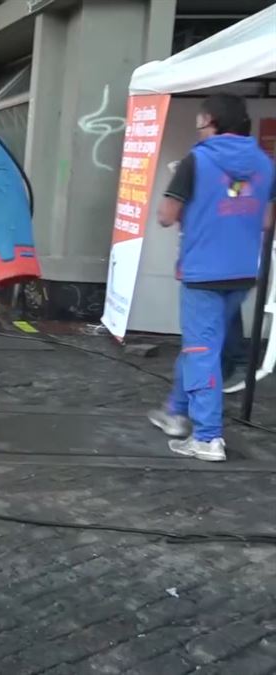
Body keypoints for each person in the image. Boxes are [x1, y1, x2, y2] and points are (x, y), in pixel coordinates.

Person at [148, 94, 274, 462]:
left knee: (202, 350)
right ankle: (175, 411)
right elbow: (267, 221)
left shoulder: (195, 161)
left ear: (210, 121)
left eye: (199, 123)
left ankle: (207, 437)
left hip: (203, 271)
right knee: (204, 344)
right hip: (243, 271)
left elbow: (166, 216)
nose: (198, 130)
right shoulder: (266, 164)